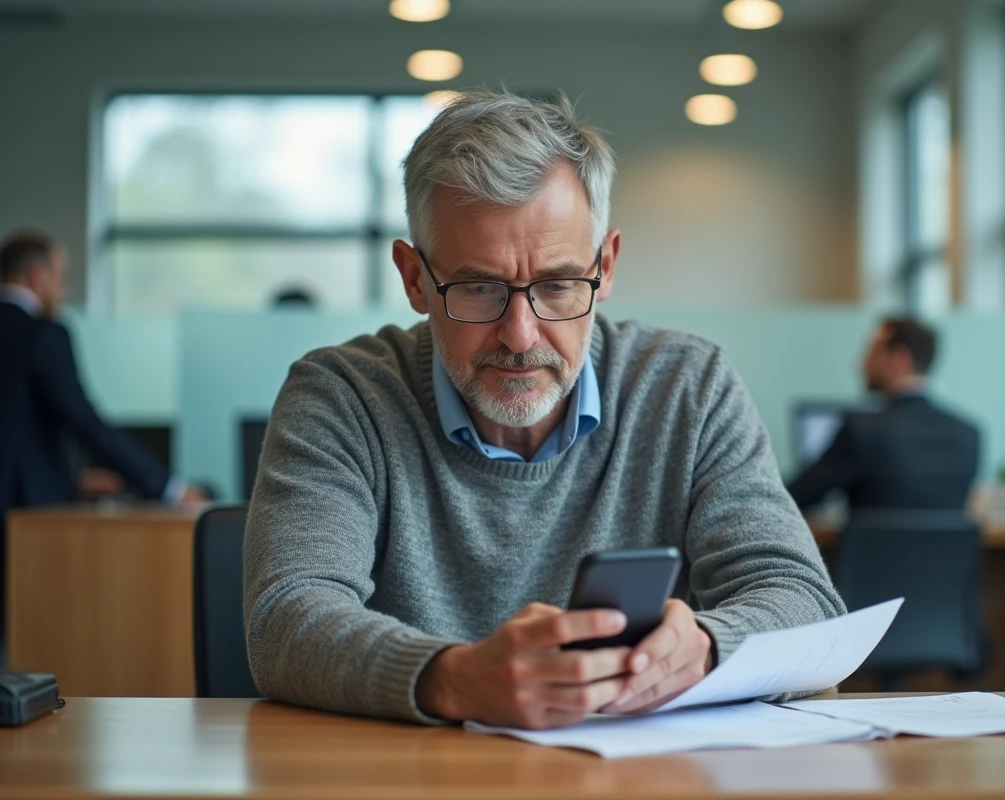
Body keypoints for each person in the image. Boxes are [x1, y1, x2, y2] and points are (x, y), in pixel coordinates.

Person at [243, 90, 845, 730]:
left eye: (558, 285)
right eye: (479, 288)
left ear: (605, 265)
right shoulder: (342, 396)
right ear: (415, 278)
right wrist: (451, 679)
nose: (521, 335)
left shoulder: (689, 389)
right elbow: (286, 617)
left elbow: (803, 599)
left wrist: (706, 647)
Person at [0, 231, 204, 662]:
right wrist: (167, 487)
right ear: (38, 276)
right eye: (62, 277)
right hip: (23, 521)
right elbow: (86, 424)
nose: (65, 290)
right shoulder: (43, 334)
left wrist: (70, 479)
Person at [786, 317, 981, 512]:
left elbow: (794, 496)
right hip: (944, 545)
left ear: (899, 359)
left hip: (866, 544)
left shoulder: (861, 431)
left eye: (871, 352)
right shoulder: (968, 435)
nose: (860, 363)